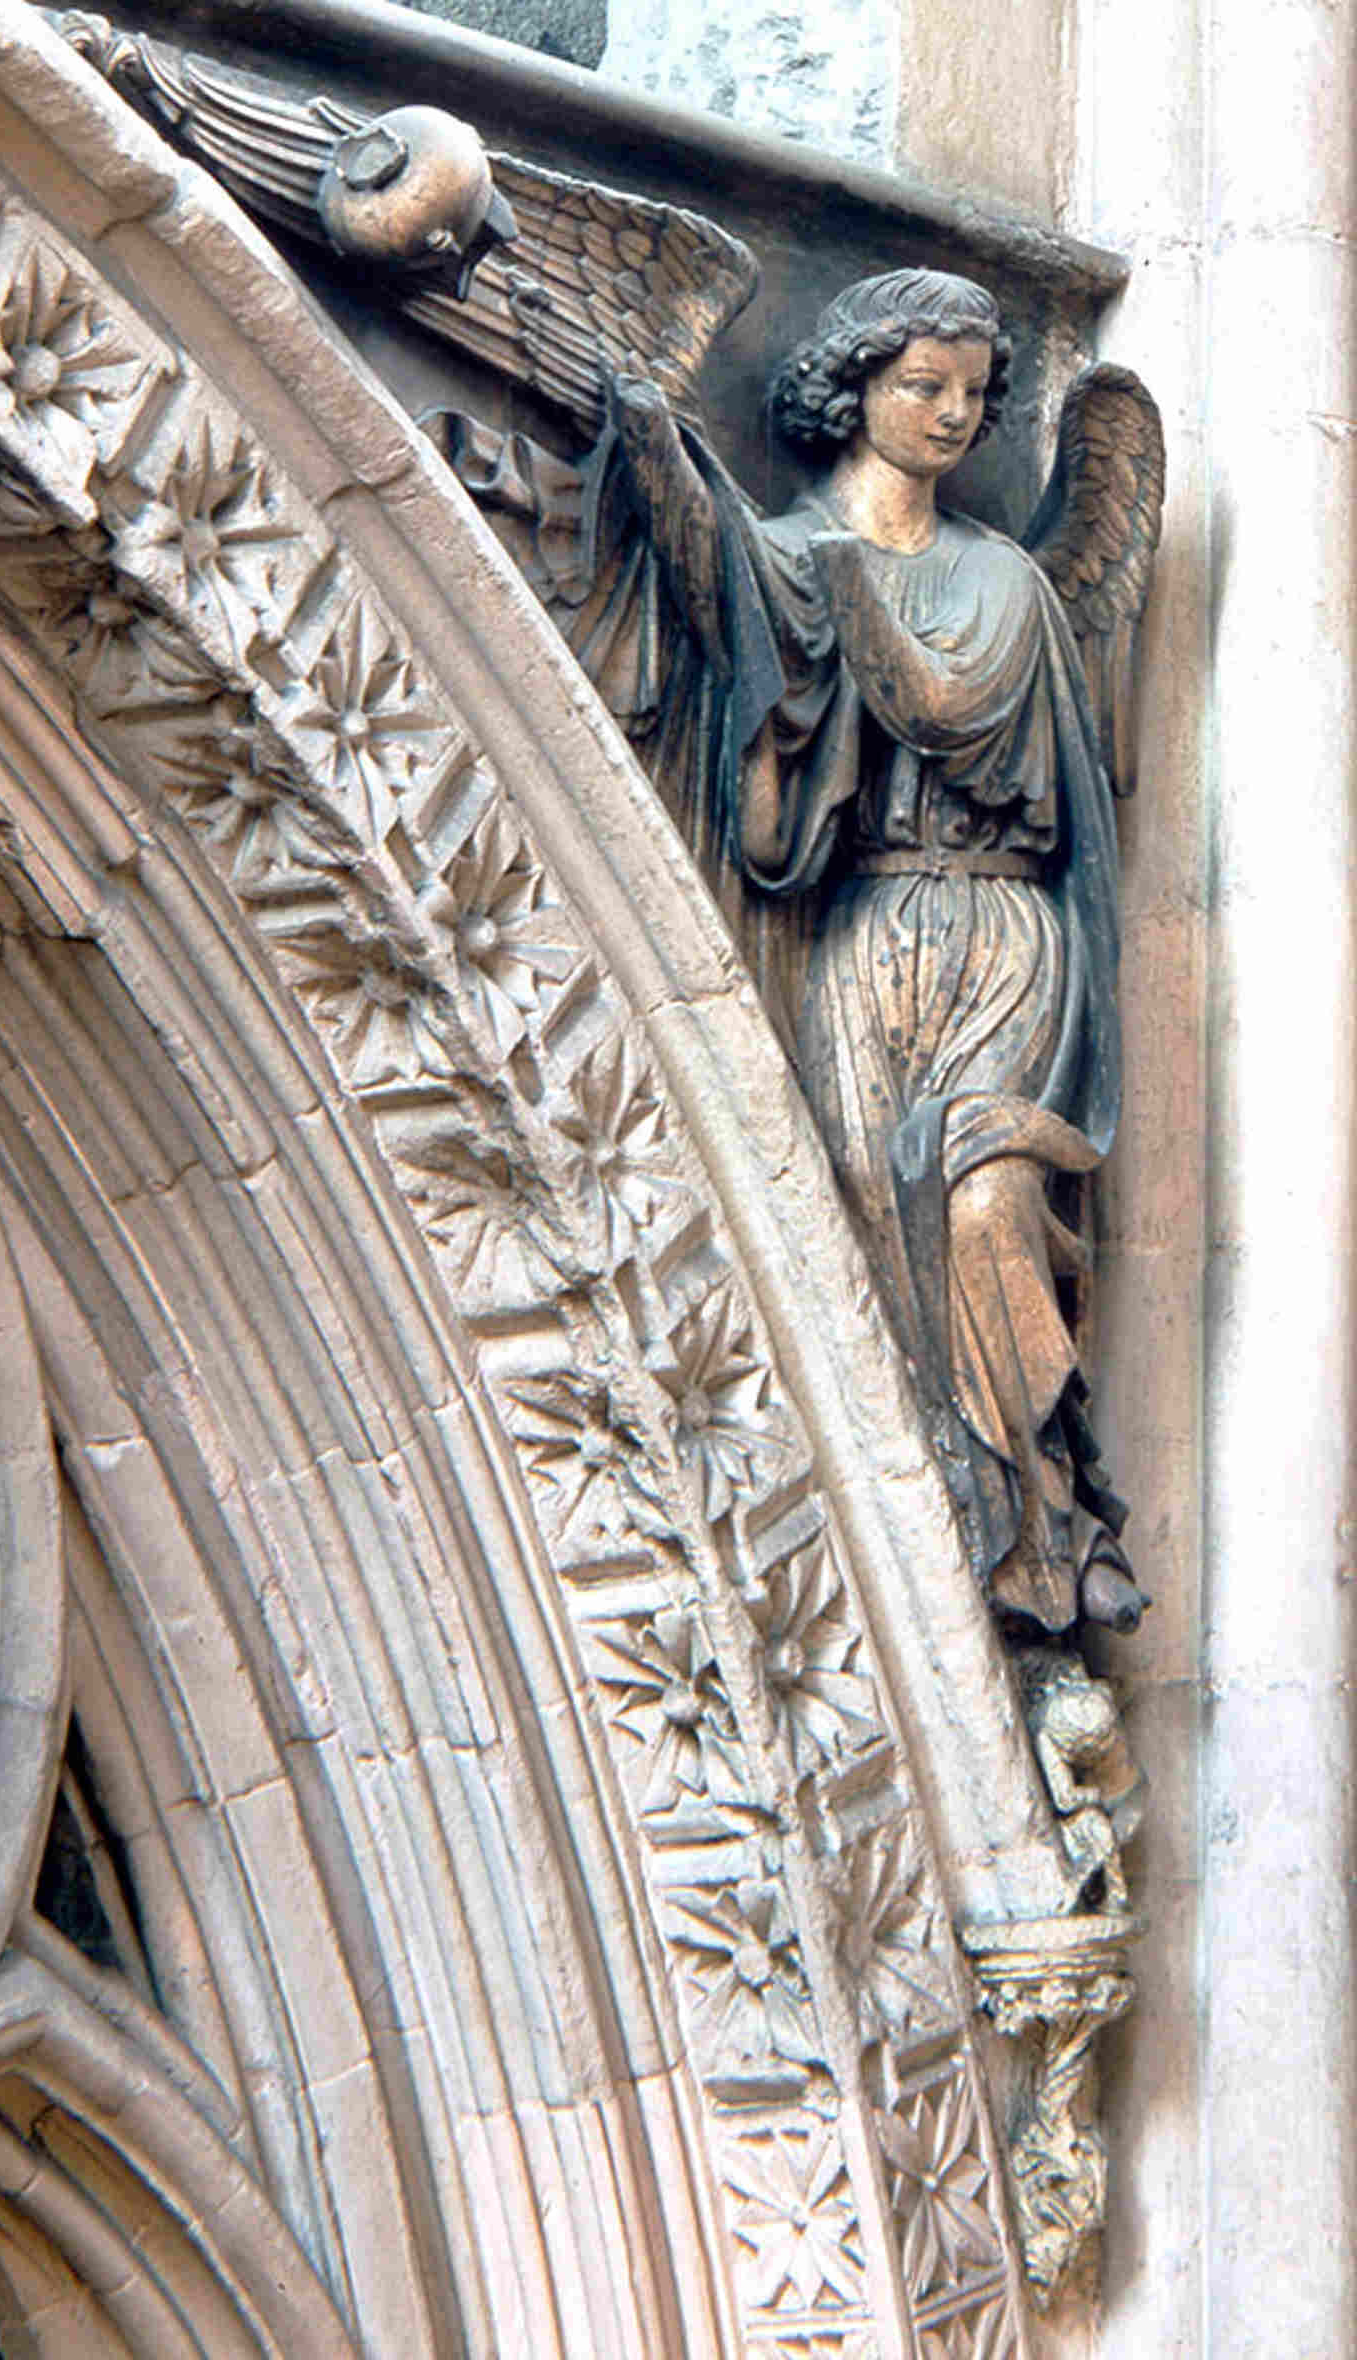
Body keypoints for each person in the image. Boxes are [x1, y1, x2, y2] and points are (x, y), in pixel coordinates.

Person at [436, 267, 1145, 1635]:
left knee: (985, 1199)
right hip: (863, 938)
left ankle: (1051, 1505)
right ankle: (948, 1513)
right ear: (854, 391)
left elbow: (1084, 838)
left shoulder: (1015, 587)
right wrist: (646, 426)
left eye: (974, 395)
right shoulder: (800, 561)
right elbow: (722, 596)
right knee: (874, 1226)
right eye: (919, 386)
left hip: (1007, 934)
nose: (950, 414)